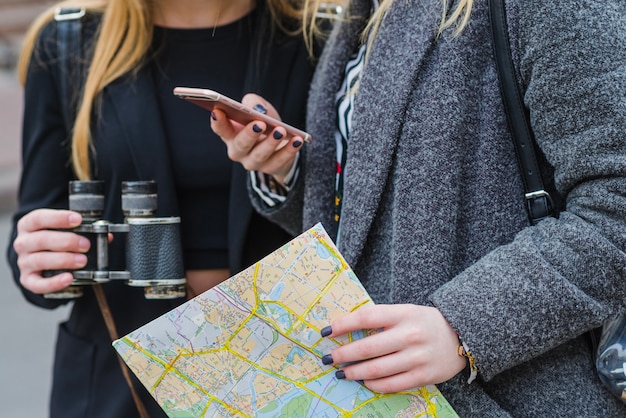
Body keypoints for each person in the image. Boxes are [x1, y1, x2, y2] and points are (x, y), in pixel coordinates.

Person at [211, 0, 626, 415]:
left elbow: (614, 209)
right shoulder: (361, 12)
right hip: (381, 395)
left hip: (514, 396)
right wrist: (288, 171)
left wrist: (465, 325)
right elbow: (390, 221)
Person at [7, 0, 322, 416]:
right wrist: (38, 258)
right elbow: (36, 223)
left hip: (285, 368)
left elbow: (361, 220)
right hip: (119, 378)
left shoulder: (319, 35)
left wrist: (286, 174)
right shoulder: (67, 39)